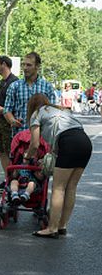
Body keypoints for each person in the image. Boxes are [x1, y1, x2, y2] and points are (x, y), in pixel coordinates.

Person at [25, 93, 93, 238]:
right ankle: (62, 225)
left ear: (31, 106)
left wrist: (27, 156)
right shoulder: (61, 110)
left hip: (68, 143)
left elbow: (35, 144)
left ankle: (52, 228)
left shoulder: (37, 113)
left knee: (58, 188)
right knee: (71, 187)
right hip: (85, 142)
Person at [3, 51, 55, 137]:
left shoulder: (47, 86)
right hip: (20, 135)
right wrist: (12, 120)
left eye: (29, 65)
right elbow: (7, 109)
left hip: (41, 136)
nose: (25, 68)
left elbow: (52, 111)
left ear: (37, 66)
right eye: (23, 64)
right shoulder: (15, 86)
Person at [0, 55, 18, 190]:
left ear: (4, 64)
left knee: (9, 152)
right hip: (0, 122)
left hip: (8, 123)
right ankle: (7, 178)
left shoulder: (14, 82)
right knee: (1, 150)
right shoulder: (3, 82)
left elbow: (17, 105)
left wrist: (4, 111)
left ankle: (13, 180)